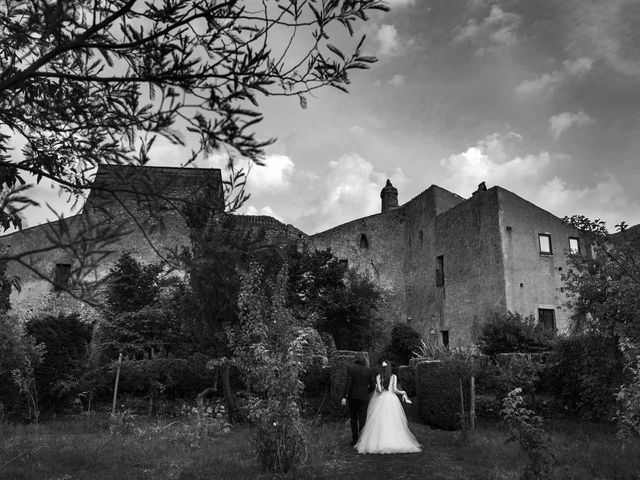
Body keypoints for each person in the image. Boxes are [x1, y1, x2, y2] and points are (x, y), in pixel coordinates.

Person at [354, 360, 422, 454]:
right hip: (392, 400)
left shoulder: (378, 376)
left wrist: (379, 385)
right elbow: (394, 390)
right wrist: (403, 392)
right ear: (389, 368)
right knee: (393, 420)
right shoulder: (394, 377)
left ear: (381, 368)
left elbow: (378, 391)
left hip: (381, 400)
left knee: (379, 420)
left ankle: (378, 442)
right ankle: (394, 440)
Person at [341, 356, 376, 445]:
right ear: (364, 362)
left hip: (353, 397)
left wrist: (344, 397)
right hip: (364, 398)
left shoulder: (351, 368)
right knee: (362, 419)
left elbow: (348, 383)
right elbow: (373, 386)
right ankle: (363, 440)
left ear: (356, 361)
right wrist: (366, 392)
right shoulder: (368, 370)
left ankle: (355, 439)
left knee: (353, 418)